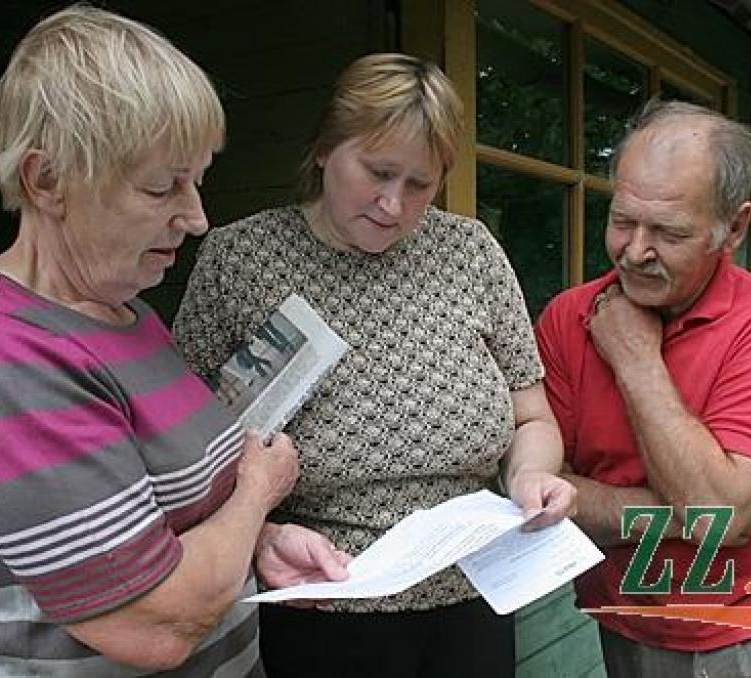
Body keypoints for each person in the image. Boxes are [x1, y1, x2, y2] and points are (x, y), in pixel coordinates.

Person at [0, 6, 348, 676]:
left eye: (196, 179)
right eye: (162, 186)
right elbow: (151, 623)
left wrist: (260, 547)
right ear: (48, 181)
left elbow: (150, 524)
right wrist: (257, 492)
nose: (195, 217)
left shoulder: (129, 318)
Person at [174, 53, 577, 677]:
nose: (393, 204)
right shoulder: (241, 260)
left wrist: (529, 479)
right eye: (378, 172)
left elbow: (532, 418)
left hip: (473, 599)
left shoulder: (471, 254)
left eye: (420, 184)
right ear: (325, 149)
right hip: (318, 603)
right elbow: (184, 445)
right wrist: (257, 534)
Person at [535, 100, 751, 677]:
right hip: (620, 617)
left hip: (749, 629)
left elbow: (718, 509)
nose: (635, 251)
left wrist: (637, 359)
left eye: (667, 231)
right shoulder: (568, 316)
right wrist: (683, 516)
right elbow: (544, 494)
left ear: (733, 227)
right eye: (622, 220)